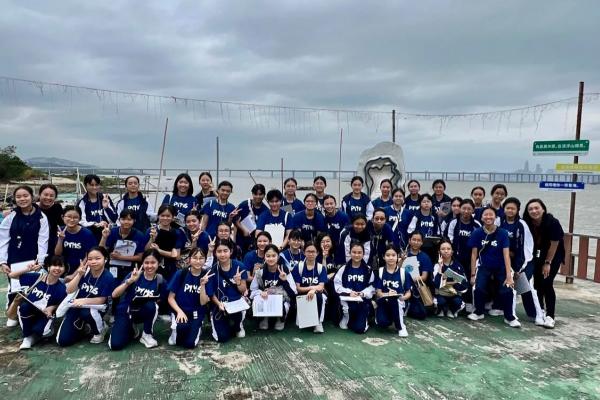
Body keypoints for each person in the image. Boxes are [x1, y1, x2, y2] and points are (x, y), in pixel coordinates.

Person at [0, 185, 49, 327]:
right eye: (18, 197)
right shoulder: (11, 216)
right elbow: (3, 239)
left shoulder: (41, 217)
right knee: (14, 286)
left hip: (32, 258)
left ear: (32, 197)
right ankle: (12, 312)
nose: (22, 199)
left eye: (25, 196)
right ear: (15, 199)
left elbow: (43, 240)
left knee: (32, 286)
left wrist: (40, 260)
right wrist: (3, 261)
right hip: (14, 257)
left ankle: (30, 312)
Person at [467, 207, 519, 328]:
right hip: (484, 266)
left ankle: (509, 317)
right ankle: (478, 312)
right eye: (485, 215)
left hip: (501, 267)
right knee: (478, 288)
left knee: (507, 289)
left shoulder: (502, 233)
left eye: (491, 215)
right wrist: (473, 274)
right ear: (481, 218)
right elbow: (474, 254)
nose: (488, 217)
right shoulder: (477, 233)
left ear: (495, 217)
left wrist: (509, 275)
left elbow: (506, 254)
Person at [56, 247, 116, 346]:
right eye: (90, 259)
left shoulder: (108, 277)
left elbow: (101, 300)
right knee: (63, 341)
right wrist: (79, 275)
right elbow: (69, 290)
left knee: (87, 313)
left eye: (97, 258)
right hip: (77, 306)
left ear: (105, 259)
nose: (93, 262)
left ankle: (100, 330)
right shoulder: (85, 272)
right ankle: (84, 327)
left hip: (95, 308)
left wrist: (83, 301)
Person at [108, 249, 167, 350]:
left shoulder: (160, 280)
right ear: (142, 263)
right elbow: (114, 294)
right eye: (146, 262)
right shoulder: (134, 275)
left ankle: (147, 334)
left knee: (152, 305)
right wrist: (130, 281)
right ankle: (130, 329)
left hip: (143, 312)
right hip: (126, 311)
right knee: (116, 345)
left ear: (158, 263)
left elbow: (163, 299)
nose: (149, 266)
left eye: (153, 262)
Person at [500, 197, 544, 326]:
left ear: (518, 210)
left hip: (525, 262)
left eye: (513, 208)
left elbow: (527, 248)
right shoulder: (500, 222)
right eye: (507, 208)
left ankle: (537, 315)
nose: (510, 210)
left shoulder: (522, 225)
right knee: (511, 288)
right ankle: (511, 316)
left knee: (527, 288)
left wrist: (520, 268)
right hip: (508, 262)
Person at [523, 198, 565, 329]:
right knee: (537, 284)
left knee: (547, 282)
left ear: (543, 209)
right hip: (537, 255)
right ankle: (540, 310)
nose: (534, 211)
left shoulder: (552, 222)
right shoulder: (528, 223)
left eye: (537, 208)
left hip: (553, 256)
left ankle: (550, 316)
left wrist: (547, 262)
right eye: (530, 209)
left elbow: (554, 244)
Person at [8, 256, 66, 349]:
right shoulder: (37, 277)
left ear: (64, 269)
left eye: (60, 266)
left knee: (43, 332)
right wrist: (28, 269)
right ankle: (27, 337)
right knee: (24, 307)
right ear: (48, 267)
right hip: (30, 311)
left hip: (44, 315)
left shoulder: (61, 288)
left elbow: (62, 304)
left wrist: (52, 308)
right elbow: (12, 275)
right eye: (54, 265)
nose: (57, 268)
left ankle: (37, 333)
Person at [166, 248, 213, 348]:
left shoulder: (206, 275)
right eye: (195, 258)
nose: (198, 261)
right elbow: (170, 298)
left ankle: (197, 328)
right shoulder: (181, 273)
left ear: (205, 260)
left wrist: (202, 285)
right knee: (178, 339)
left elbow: (203, 302)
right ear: (189, 259)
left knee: (190, 344)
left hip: (197, 314)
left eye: (201, 258)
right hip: (180, 311)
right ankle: (175, 331)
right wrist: (179, 311)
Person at [206, 239, 249, 342]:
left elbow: (243, 290)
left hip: (236, 304)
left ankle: (238, 324)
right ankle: (218, 320)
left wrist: (238, 282)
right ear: (215, 253)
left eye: (225, 251)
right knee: (222, 338)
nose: (222, 254)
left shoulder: (239, 266)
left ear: (231, 251)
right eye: (219, 251)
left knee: (237, 330)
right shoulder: (213, 270)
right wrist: (218, 304)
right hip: (220, 304)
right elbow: (211, 293)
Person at [250, 244, 297, 331]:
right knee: (257, 299)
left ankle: (281, 319)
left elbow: (293, 293)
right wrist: (261, 292)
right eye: (268, 256)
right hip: (266, 299)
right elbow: (252, 290)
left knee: (285, 304)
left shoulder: (284, 270)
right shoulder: (260, 272)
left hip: (281, 301)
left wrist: (284, 281)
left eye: (273, 256)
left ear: (278, 257)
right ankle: (264, 318)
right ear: (264, 257)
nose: (271, 259)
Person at [446, 199, 480, 310]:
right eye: (464, 208)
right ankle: (455, 303)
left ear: (473, 210)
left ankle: (469, 302)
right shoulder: (453, 222)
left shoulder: (476, 225)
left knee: (469, 280)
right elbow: (448, 238)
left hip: (471, 259)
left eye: (469, 209)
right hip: (455, 258)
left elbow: (480, 242)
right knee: (455, 279)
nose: (466, 211)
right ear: (460, 209)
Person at [334, 242, 375, 333]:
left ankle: (364, 317)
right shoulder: (343, 268)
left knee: (360, 329)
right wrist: (349, 292)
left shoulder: (368, 270)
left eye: (359, 252)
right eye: (354, 252)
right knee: (344, 326)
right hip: (347, 301)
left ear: (363, 254)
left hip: (362, 302)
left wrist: (363, 293)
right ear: (349, 253)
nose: (357, 255)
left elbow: (372, 287)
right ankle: (346, 317)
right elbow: (337, 285)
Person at [374, 245, 412, 337]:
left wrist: (402, 297)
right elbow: (378, 293)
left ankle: (401, 326)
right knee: (383, 323)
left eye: (393, 255)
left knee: (395, 301)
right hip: (384, 302)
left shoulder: (404, 272)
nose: (391, 258)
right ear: (383, 257)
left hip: (399, 302)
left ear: (398, 256)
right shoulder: (380, 271)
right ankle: (391, 318)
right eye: (388, 255)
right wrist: (387, 294)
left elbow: (408, 293)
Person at [99, 209, 147, 281]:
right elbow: (100, 250)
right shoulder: (112, 232)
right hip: (112, 267)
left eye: (129, 219)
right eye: (123, 219)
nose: (126, 222)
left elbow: (140, 257)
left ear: (134, 220)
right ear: (119, 220)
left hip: (130, 269)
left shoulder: (139, 235)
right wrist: (104, 237)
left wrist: (120, 257)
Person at [292, 241, 327, 333]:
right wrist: (312, 289)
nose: (311, 254)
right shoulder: (298, 267)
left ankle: (318, 322)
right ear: (304, 252)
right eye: (308, 251)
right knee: (302, 325)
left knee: (320, 297)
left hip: (317, 294)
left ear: (317, 253)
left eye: (313, 251)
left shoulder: (321, 268)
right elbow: (298, 288)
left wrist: (313, 291)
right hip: (302, 294)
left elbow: (321, 287)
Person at [55, 205, 97, 281]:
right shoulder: (60, 230)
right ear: (62, 217)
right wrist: (60, 239)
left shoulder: (87, 234)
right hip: (62, 269)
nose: (72, 220)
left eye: (75, 217)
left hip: (81, 270)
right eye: (69, 216)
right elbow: (57, 254)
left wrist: (74, 275)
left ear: (80, 219)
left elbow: (89, 256)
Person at [145, 205, 183, 281]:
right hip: (152, 268)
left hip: (170, 269)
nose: (165, 218)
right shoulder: (151, 230)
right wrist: (152, 239)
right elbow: (145, 251)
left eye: (168, 216)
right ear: (158, 216)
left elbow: (177, 256)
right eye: (162, 215)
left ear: (173, 217)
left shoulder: (177, 233)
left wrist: (158, 250)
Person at [77, 174, 117, 242]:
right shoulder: (82, 202)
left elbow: (114, 219)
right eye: (91, 185)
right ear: (86, 185)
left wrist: (106, 207)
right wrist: (95, 224)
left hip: (107, 234)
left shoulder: (105, 198)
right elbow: (81, 222)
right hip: (91, 236)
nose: (94, 187)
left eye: (97, 185)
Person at [403, 231, 433, 320]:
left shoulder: (425, 257)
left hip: (417, 289)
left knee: (422, 313)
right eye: (414, 239)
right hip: (403, 287)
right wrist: (401, 260)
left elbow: (424, 277)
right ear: (409, 240)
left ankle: (410, 306)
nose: (416, 242)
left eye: (418, 240)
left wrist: (412, 279)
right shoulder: (404, 254)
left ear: (422, 242)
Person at [433, 240, 467, 318]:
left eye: (448, 249)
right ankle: (441, 309)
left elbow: (464, 285)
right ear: (439, 252)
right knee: (439, 302)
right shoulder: (436, 265)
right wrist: (440, 267)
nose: (446, 251)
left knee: (458, 302)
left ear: (452, 251)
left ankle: (451, 310)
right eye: (443, 249)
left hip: (454, 294)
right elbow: (436, 284)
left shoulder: (458, 266)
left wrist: (448, 282)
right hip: (441, 294)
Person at [406, 193, 441, 264]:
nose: (426, 203)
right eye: (424, 202)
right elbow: (410, 231)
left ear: (432, 203)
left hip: (431, 247)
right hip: (418, 246)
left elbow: (438, 231)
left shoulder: (434, 216)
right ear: (420, 203)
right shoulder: (416, 215)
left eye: (428, 201)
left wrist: (437, 239)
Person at [234, 183, 268, 253]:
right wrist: (243, 229)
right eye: (255, 194)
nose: (258, 196)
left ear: (264, 195)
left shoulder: (266, 210)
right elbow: (235, 219)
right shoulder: (244, 204)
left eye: (260, 194)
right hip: (241, 241)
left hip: (255, 244)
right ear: (252, 194)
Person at [37, 184, 63, 259]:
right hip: (36, 244)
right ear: (39, 195)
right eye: (45, 195)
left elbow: (62, 225)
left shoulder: (57, 208)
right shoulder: (33, 208)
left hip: (52, 245)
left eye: (51, 196)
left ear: (55, 197)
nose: (48, 198)